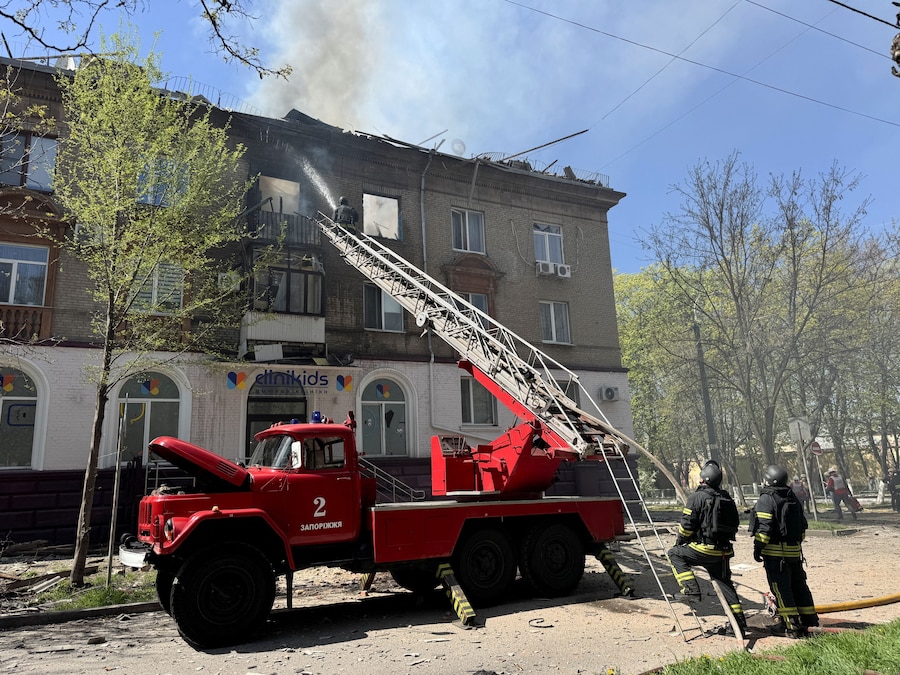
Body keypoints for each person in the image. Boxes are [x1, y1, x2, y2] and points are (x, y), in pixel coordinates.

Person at [667, 460, 748, 637]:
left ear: (703, 480)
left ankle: (691, 590)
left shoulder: (697, 497)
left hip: (703, 549)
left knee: (674, 554)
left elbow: (687, 525)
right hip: (723, 551)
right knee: (725, 584)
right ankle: (739, 625)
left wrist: (680, 540)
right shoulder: (727, 498)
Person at [751, 464, 819, 638]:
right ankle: (810, 621)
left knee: (781, 590)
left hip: (775, 554)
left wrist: (758, 547)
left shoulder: (767, 499)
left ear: (768, 480)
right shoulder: (792, 497)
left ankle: (791, 627)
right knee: (799, 586)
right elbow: (802, 526)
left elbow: (764, 529)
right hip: (794, 552)